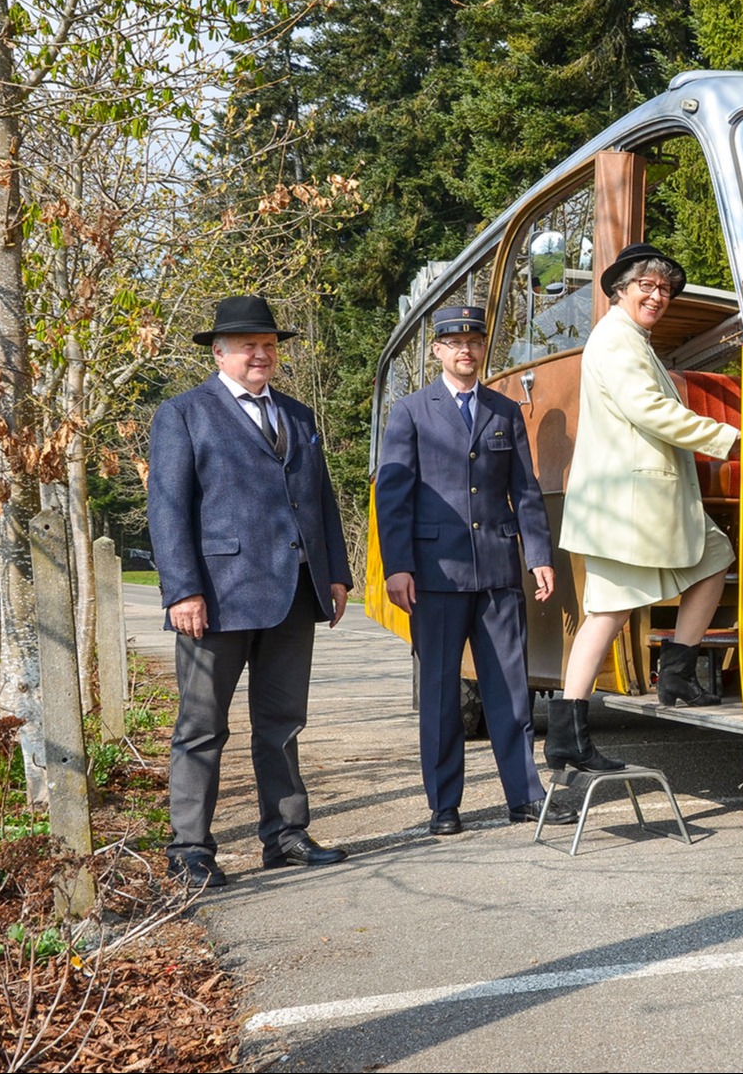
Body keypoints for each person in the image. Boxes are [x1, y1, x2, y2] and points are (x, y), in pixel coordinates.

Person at [147, 295, 353, 888]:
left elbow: (320, 502)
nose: (261, 354)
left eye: (268, 345)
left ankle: (285, 835)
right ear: (219, 353)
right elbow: (167, 510)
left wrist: (335, 572)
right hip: (217, 597)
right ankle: (190, 849)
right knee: (202, 727)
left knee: (283, 722)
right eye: (247, 345)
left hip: (293, 593)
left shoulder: (299, 415)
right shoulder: (183, 414)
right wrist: (182, 590)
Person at [375, 306, 576, 834]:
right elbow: (392, 498)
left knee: (510, 691)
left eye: (474, 340)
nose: (465, 349)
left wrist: (538, 556)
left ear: (484, 348)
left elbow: (526, 491)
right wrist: (398, 567)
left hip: (498, 572)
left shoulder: (506, 411)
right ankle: (444, 806)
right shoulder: (411, 412)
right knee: (440, 694)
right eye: (454, 342)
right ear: (437, 351)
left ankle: (525, 797)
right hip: (435, 576)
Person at [555, 244, 740, 770]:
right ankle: (568, 735)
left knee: (714, 556)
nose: (657, 296)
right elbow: (649, 410)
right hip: (625, 505)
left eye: (664, 289)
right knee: (607, 614)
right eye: (647, 286)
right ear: (620, 290)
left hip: (648, 501)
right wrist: (730, 438)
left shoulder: (633, 338)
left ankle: (676, 674)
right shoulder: (616, 339)